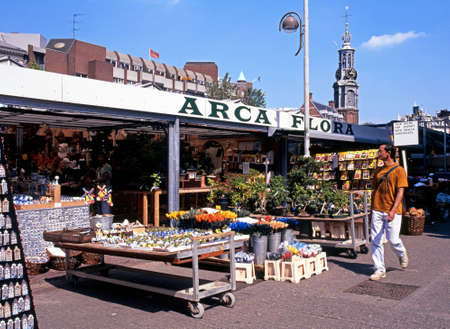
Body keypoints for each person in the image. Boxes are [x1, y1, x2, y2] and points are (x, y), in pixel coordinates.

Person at [370, 144, 409, 281]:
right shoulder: (378, 170)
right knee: (375, 240)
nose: (378, 153)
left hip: (393, 211)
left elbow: (400, 192)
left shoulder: (399, 170)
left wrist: (392, 211)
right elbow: (374, 188)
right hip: (377, 209)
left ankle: (401, 253)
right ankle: (379, 269)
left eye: (380, 151)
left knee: (393, 240)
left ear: (388, 153)